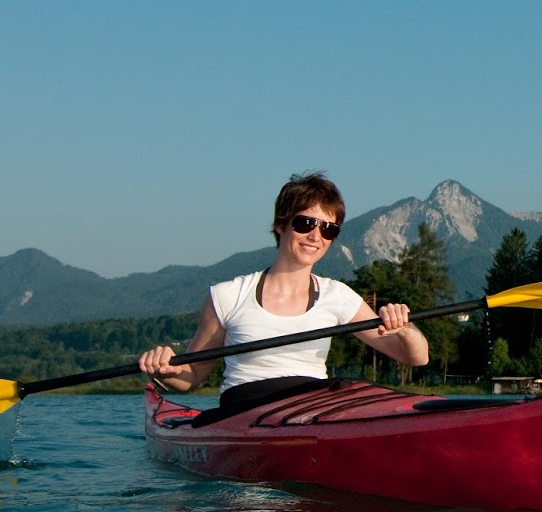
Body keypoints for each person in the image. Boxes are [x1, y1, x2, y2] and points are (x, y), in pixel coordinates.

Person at [139, 172, 429, 423]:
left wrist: (405, 329)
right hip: (243, 412)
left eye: (328, 229)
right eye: (305, 223)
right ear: (281, 224)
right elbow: (191, 377)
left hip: (310, 410)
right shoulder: (226, 296)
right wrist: (164, 368)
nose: (316, 236)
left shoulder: (338, 296)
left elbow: (416, 357)